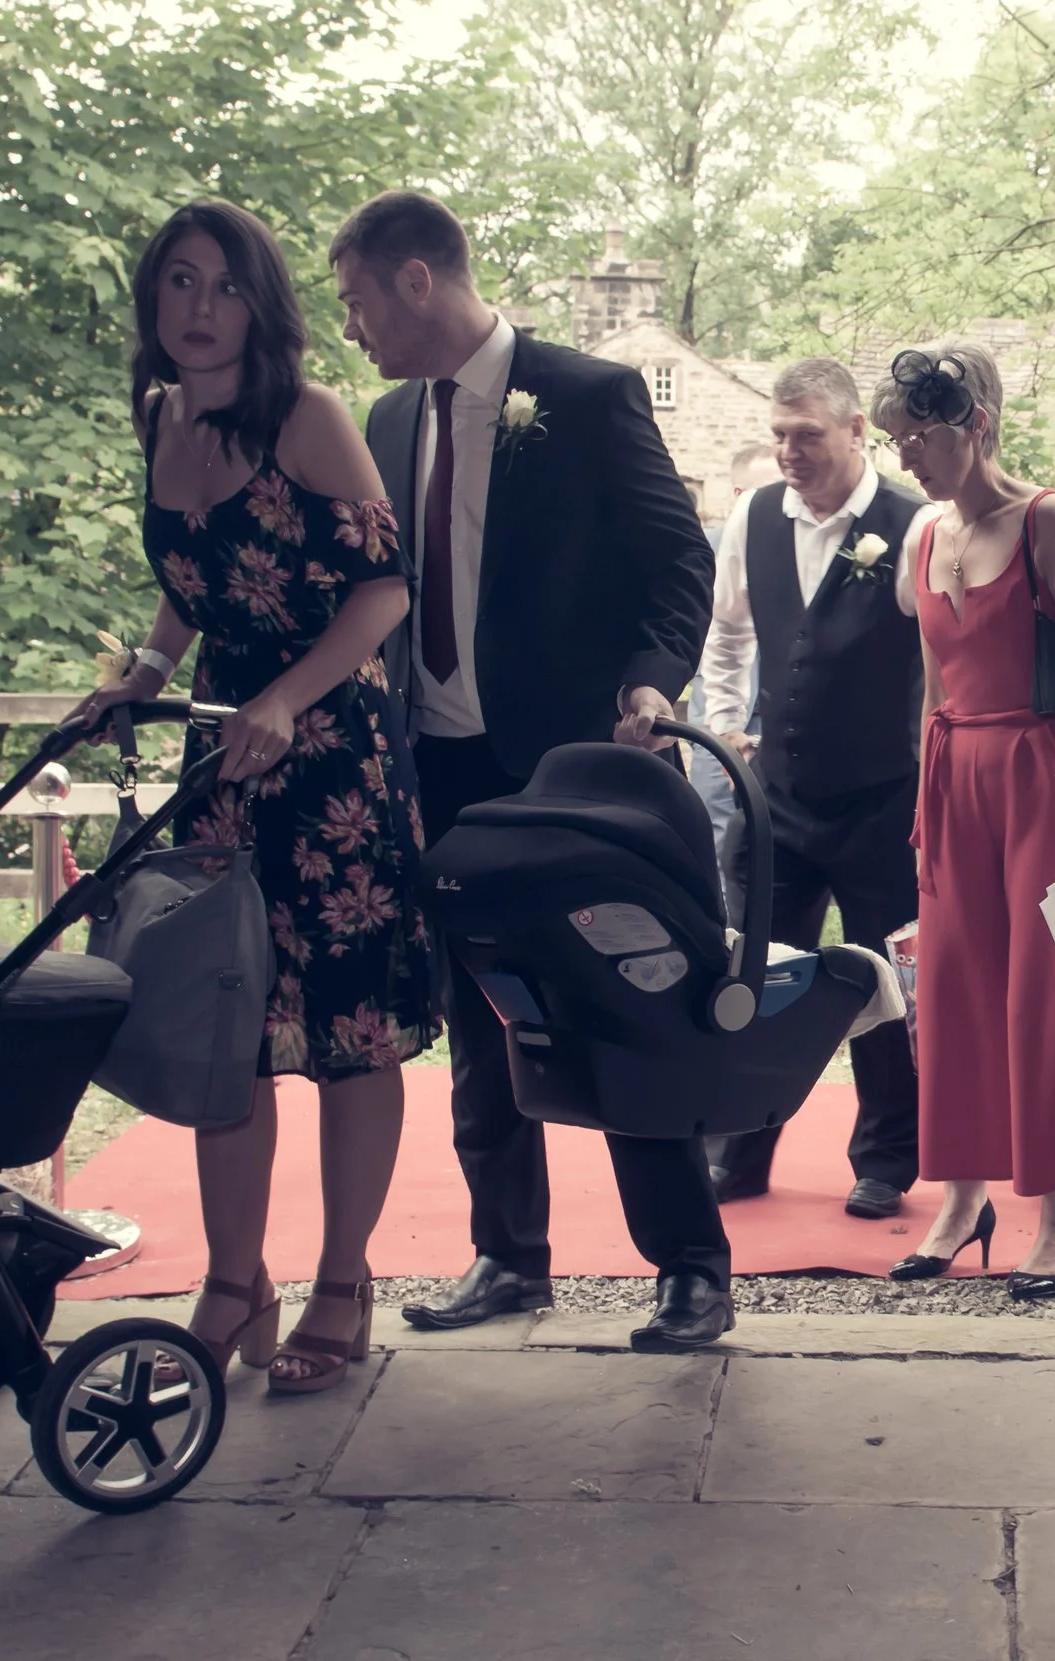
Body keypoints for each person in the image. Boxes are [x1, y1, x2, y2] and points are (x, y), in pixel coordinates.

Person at [328, 190, 732, 1352]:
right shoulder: (389, 419)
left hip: (571, 770)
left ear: (417, 281)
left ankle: (691, 1270)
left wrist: (652, 685)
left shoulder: (587, 394)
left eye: (359, 300)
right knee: (476, 1006)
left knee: (618, 1002)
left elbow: (676, 562)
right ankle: (507, 1254)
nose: (351, 326)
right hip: (436, 763)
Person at [68, 199, 436, 1396]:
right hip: (221, 753)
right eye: (178, 283)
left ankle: (343, 1279)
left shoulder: (308, 416)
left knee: (345, 1030)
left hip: (330, 752)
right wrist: (146, 672)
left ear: (260, 303)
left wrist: (288, 695)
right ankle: (236, 1280)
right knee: (226, 1018)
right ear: (153, 299)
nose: (200, 309)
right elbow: (196, 579)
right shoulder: (158, 413)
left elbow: (383, 590)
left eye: (224, 287)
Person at [873, 343, 1055, 1300]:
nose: (905, 456)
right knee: (952, 990)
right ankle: (961, 1199)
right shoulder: (921, 535)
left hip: (1047, 771)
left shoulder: (1047, 520)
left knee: (1050, 993)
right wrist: (924, 793)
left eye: (918, 437)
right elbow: (936, 681)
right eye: (897, 438)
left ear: (973, 425)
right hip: (954, 773)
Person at [694, 360, 933, 1218]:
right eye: (779, 436)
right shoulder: (754, 517)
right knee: (751, 973)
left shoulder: (915, 524)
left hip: (883, 801)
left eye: (808, 436)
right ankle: (740, 1149)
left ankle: (885, 1160)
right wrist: (727, 726)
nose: (789, 452)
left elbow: (948, 662)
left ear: (857, 432)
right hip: (776, 801)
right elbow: (725, 638)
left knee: (885, 982)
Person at [689, 443, 785, 920]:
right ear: (739, 493)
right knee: (719, 831)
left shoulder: (797, 546)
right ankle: (726, 941)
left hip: (782, 718)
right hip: (718, 715)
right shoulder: (705, 548)